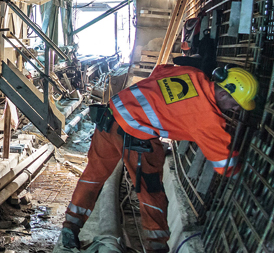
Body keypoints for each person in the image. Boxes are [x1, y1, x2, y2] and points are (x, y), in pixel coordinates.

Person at [61, 65, 258, 252]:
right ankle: (156, 247)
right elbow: (225, 165)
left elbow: (161, 69)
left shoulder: (193, 73)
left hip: (110, 116)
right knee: (151, 191)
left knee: (93, 175)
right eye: (236, 104)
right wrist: (248, 170)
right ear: (224, 93)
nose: (236, 110)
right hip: (135, 135)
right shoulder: (208, 118)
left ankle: (70, 226)